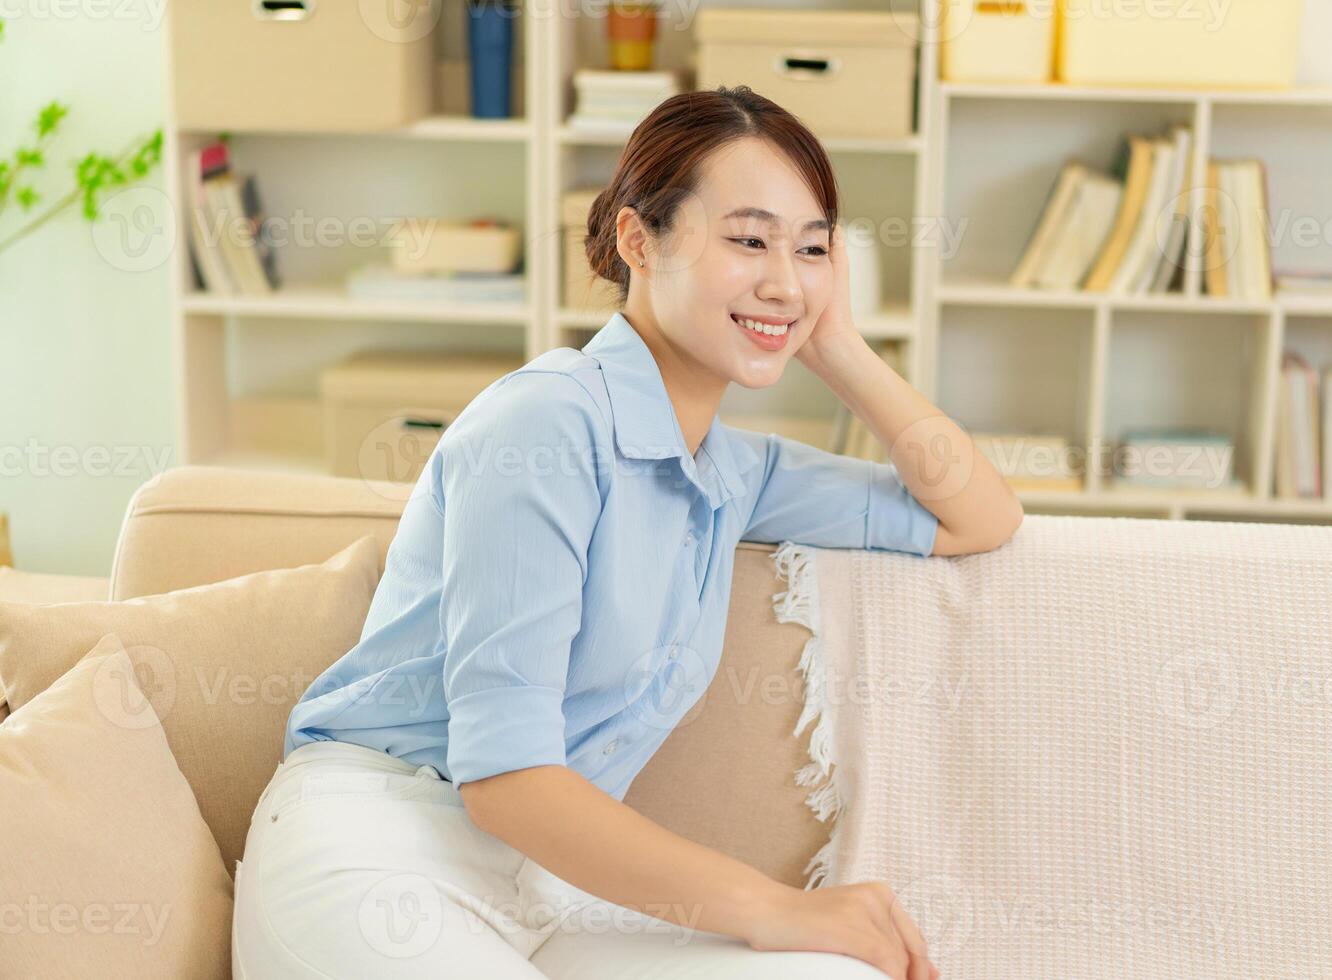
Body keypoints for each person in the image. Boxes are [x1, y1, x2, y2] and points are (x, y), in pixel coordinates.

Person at [232, 85, 1024, 980]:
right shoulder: (544, 425)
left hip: (542, 891)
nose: (784, 276)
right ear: (639, 240)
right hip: (381, 848)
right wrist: (779, 908)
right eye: (749, 239)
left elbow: (978, 516)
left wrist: (832, 339)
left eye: (811, 248)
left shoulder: (736, 471)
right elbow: (505, 780)